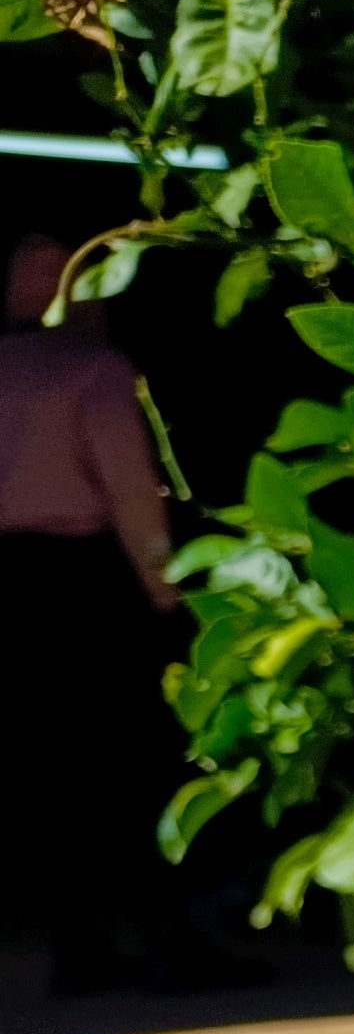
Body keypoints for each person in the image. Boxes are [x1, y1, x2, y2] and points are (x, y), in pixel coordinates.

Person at [0, 232, 195, 991]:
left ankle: (75, 944)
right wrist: (165, 591)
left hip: (12, 585)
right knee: (121, 759)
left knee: (41, 767)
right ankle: (162, 935)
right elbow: (128, 487)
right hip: (79, 584)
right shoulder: (95, 372)